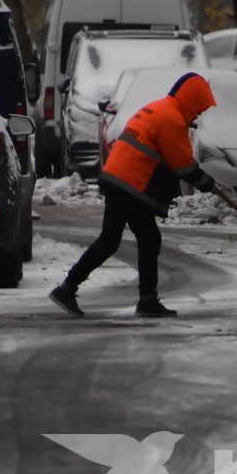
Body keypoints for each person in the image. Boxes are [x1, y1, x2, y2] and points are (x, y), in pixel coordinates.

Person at [49, 71, 221, 319]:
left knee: (149, 238)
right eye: (199, 108)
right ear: (191, 100)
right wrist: (206, 182)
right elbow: (182, 163)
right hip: (128, 184)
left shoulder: (160, 108)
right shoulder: (171, 118)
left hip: (123, 181)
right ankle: (67, 287)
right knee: (110, 240)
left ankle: (147, 299)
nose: (198, 113)